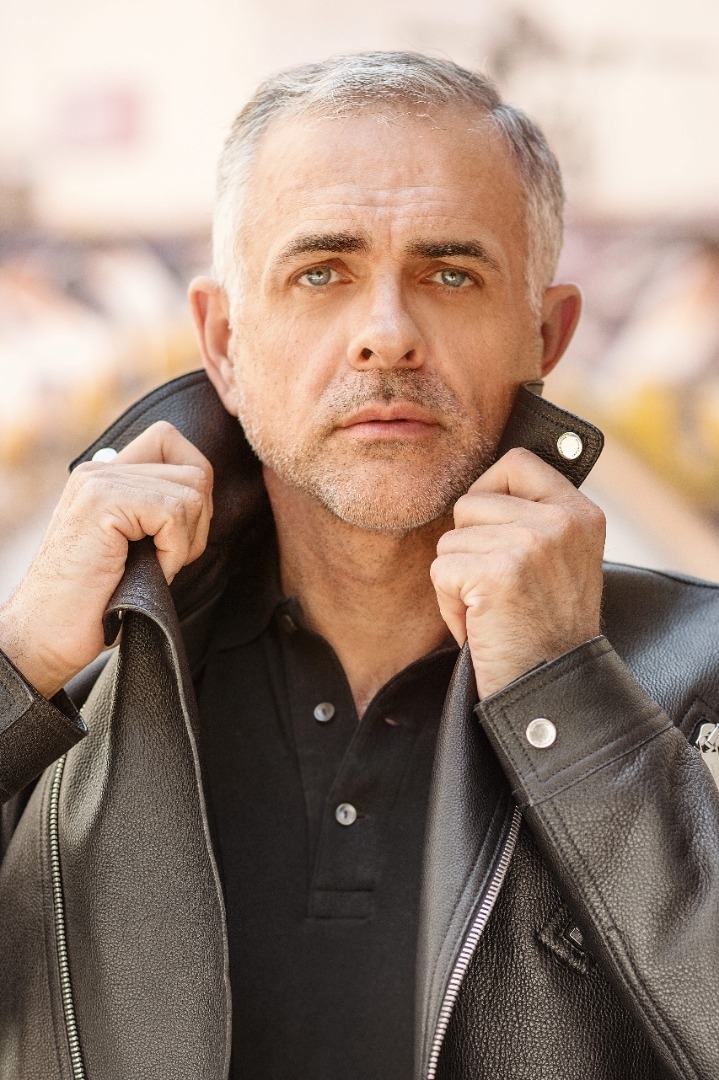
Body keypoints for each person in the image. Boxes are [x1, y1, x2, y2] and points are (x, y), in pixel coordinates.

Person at [0, 51, 718, 1080]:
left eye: (450, 274)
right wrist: (18, 664)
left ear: (544, 334)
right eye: (321, 273)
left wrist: (571, 703)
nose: (386, 335)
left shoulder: (699, 680)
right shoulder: (66, 706)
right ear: (224, 343)